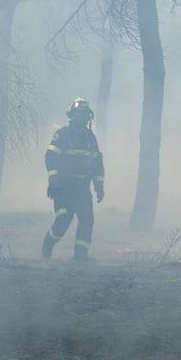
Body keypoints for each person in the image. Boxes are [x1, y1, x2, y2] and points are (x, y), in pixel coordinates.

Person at [42, 98, 104, 262]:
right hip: (63, 188)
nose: (83, 118)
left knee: (87, 220)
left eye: (85, 115)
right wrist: (53, 181)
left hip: (82, 189)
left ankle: (80, 257)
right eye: (80, 114)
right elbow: (51, 157)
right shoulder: (62, 135)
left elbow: (97, 163)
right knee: (64, 218)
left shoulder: (91, 139)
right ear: (72, 116)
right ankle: (48, 245)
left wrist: (99, 186)